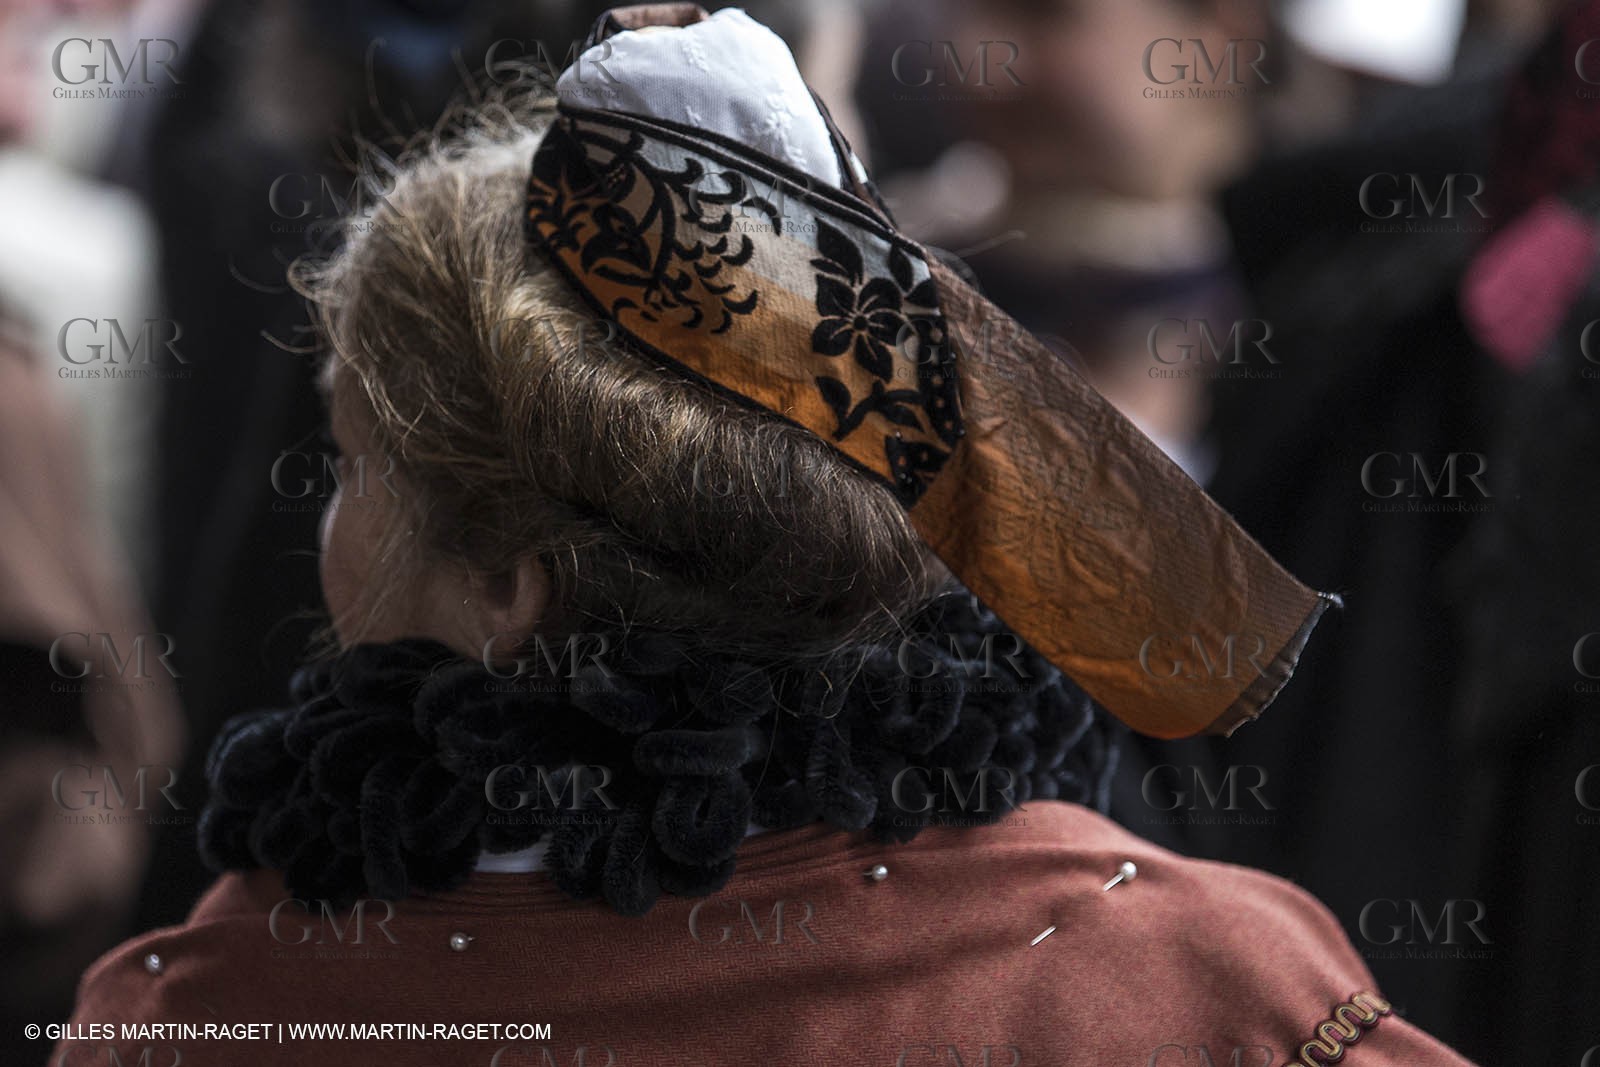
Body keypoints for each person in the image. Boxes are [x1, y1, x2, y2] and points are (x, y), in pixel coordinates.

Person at [57, 6, 1475, 1065]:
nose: (322, 526)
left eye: (353, 467)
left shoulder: (219, 1010)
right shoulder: (1201, 977)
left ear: (504, 584)